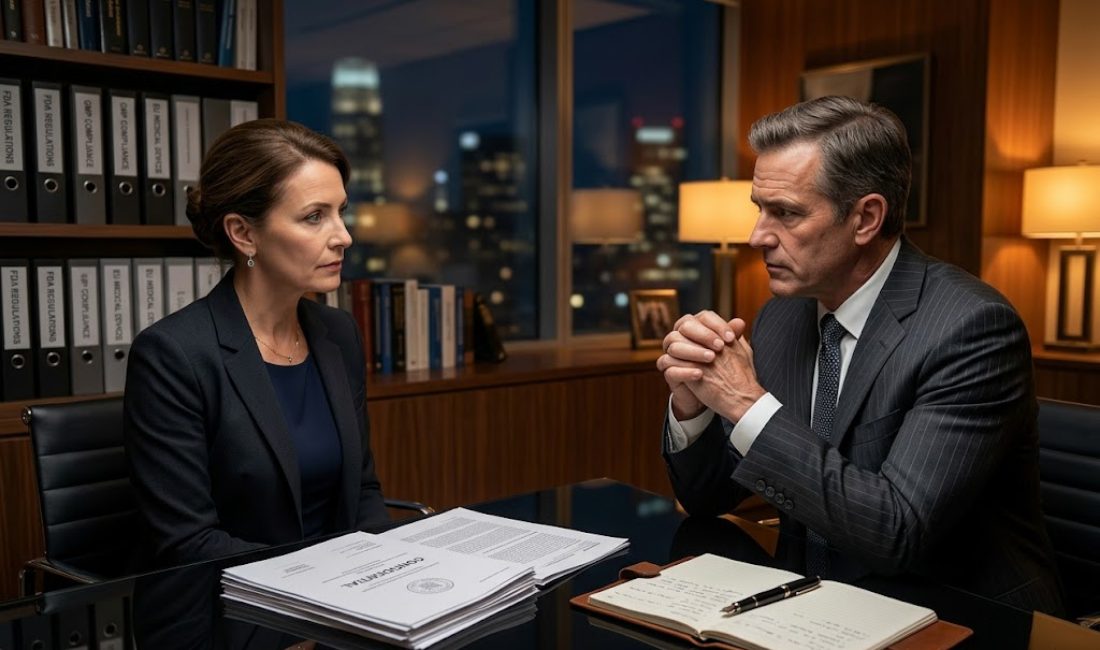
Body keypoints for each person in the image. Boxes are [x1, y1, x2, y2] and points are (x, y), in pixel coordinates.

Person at [658, 96, 1063, 614]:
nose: (758, 236)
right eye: (760, 209)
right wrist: (693, 407)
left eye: (786, 213)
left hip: (958, 614)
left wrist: (745, 402)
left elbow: (895, 533)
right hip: (813, 607)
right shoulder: (783, 317)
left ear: (866, 217)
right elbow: (707, 500)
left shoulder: (972, 328)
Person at [124, 119, 388, 568]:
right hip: (235, 617)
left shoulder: (338, 333)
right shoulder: (173, 356)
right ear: (243, 233)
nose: (344, 236)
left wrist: (395, 571)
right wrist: (319, 588)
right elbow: (189, 543)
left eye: (342, 211)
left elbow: (362, 492)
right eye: (314, 216)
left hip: (345, 604)